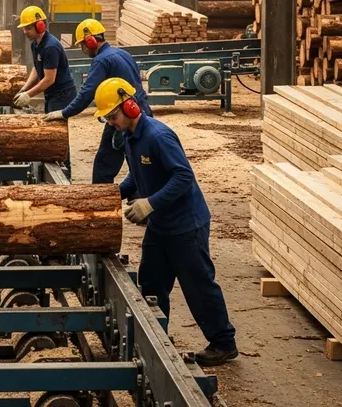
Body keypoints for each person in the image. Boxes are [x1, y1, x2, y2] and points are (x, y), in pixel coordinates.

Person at [93, 76, 238, 367]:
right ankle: (156, 338)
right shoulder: (131, 138)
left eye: (112, 116)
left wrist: (150, 203)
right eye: (107, 119)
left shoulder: (158, 135)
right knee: (151, 284)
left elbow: (183, 176)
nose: (111, 123)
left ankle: (223, 343)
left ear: (130, 106)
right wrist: (113, 195)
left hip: (186, 225)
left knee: (197, 285)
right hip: (160, 226)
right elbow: (137, 174)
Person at [45, 18, 151, 184]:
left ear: (90, 41)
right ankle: (139, 197)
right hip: (140, 112)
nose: (83, 49)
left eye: (82, 45)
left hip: (121, 115)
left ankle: (101, 199)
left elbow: (87, 93)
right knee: (139, 162)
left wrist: (64, 113)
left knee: (104, 165)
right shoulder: (122, 53)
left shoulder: (102, 61)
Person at [13, 5, 77, 174]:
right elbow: (37, 69)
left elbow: (49, 79)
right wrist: (24, 89)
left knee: (57, 133)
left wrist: (29, 95)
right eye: (24, 28)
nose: (25, 31)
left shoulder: (50, 47)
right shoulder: (36, 44)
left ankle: (65, 170)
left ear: (40, 26)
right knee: (52, 130)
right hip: (52, 95)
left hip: (62, 96)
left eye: (28, 28)